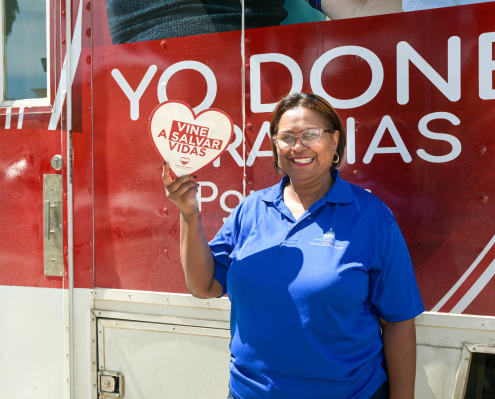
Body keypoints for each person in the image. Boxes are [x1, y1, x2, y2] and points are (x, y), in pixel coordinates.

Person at [163, 92, 425, 399]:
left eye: (311, 135)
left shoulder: (371, 216)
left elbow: (398, 322)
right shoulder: (251, 210)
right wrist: (189, 214)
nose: (298, 146)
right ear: (276, 145)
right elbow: (203, 285)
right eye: (287, 137)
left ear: (334, 140)